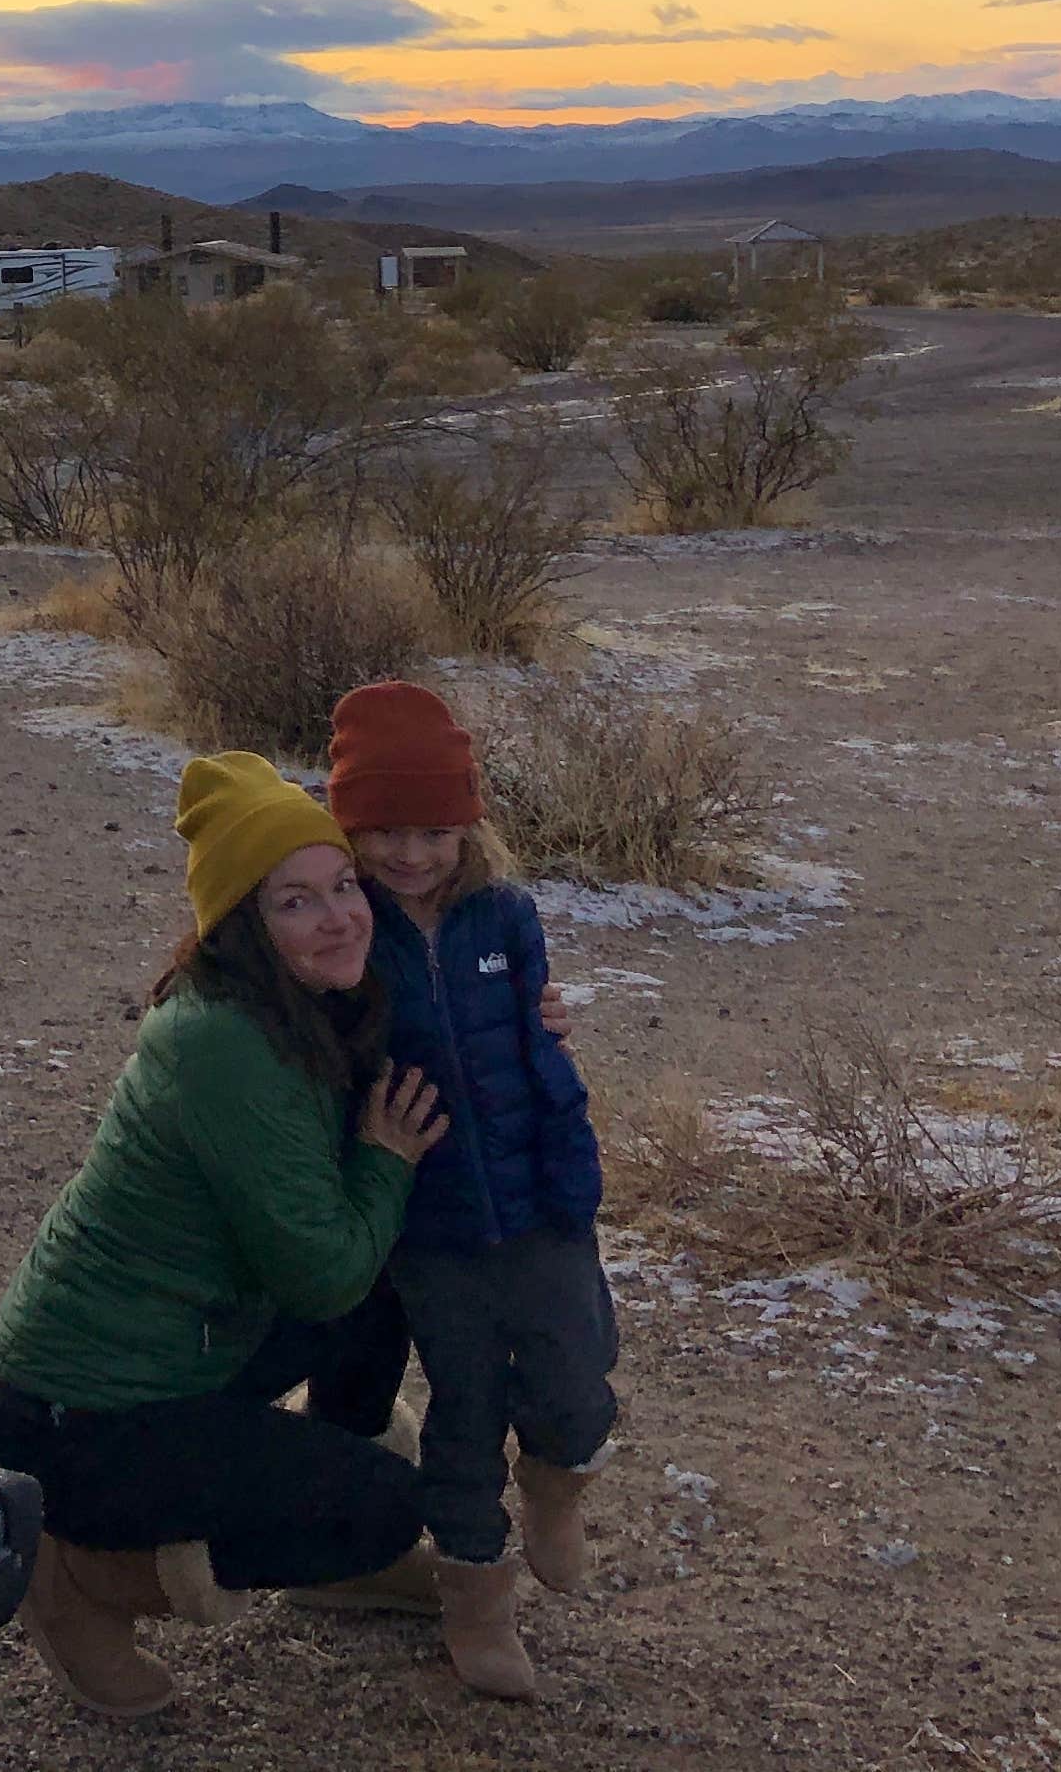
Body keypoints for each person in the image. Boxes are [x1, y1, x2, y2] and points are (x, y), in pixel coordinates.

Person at [0, 749, 451, 1720]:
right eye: (295, 902)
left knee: (381, 1271)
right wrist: (388, 1162)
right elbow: (320, 1275)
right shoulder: (226, 1046)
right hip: (77, 1419)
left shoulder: (296, 1005)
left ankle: (328, 1549)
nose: (340, 917)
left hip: (176, 1352)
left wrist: (535, 1018)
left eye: (342, 886)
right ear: (242, 926)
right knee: (388, 1504)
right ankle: (79, 1580)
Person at [325, 678, 618, 1705]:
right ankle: (476, 1597)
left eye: (434, 830)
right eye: (384, 831)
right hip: (432, 1219)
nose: (410, 854)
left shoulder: (506, 914)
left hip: (541, 1195)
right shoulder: (347, 935)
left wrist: (559, 1076)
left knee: (578, 1373)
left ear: (468, 825)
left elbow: (534, 1042)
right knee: (465, 1402)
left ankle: (556, 1482)